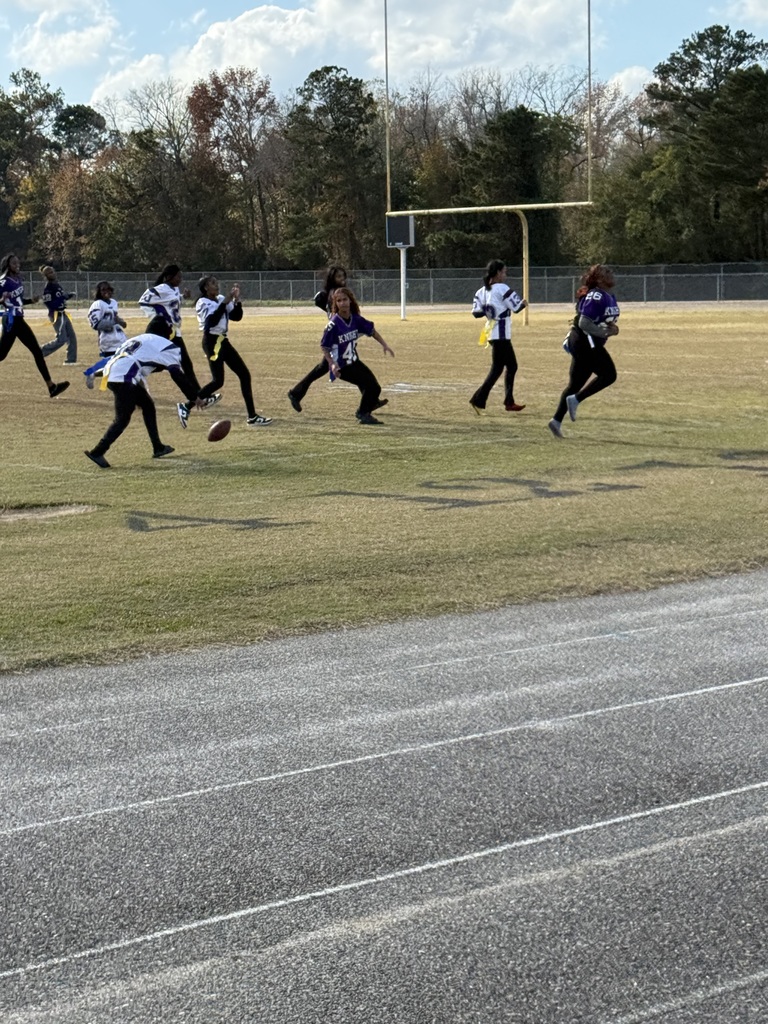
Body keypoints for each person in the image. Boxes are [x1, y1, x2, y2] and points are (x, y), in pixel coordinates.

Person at [84, 316, 203, 468]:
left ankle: (158, 446)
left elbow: (120, 360)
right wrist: (194, 397)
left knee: (147, 405)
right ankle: (98, 451)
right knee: (122, 418)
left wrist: (95, 373)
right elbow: (177, 374)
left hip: (113, 374)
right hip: (125, 378)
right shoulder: (165, 345)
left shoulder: (137, 339)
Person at [177, 275, 271, 429]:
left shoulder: (220, 298)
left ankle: (252, 416)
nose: (217, 285)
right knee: (218, 381)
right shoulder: (203, 302)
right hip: (212, 342)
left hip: (222, 341)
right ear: (206, 288)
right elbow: (210, 323)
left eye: (216, 282)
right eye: (213, 283)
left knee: (244, 374)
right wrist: (225, 302)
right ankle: (187, 406)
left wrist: (236, 300)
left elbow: (236, 316)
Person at [548, 264, 620, 438]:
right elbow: (584, 323)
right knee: (609, 374)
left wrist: (614, 329)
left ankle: (556, 421)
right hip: (584, 341)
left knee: (575, 385)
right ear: (599, 278)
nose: (611, 273)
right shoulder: (596, 294)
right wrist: (603, 332)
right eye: (606, 272)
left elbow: (605, 322)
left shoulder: (608, 296)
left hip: (588, 342)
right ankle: (576, 400)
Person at [321, 286, 393, 425]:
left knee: (375, 388)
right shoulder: (333, 324)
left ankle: (366, 409)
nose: (343, 303)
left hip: (353, 361)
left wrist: (384, 344)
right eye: (339, 301)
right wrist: (332, 363)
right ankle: (363, 413)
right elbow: (324, 346)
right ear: (335, 304)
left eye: (345, 299)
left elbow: (372, 331)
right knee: (370, 386)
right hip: (342, 365)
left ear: (350, 300)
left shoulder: (356, 319)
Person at [0, 253, 70, 398]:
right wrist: (1, 299)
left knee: (37, 352)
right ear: (8, 265)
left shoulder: (18, 279)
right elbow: (3, 301)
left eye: (18, 263)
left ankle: (51, 386)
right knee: (1, 355)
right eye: (14, 263)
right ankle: (51, 386)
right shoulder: (3, 281)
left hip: (19, 320)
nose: (17, 265)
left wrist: (30, 301)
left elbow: (18, 301)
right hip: (10, 320)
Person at [469, 259, 527, 415]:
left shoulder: (481, 291)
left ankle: (501, 401)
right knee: (504, 368)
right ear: (497, 273)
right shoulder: (502, 288)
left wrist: (488, 313)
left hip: (492, 333)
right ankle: (481, 399)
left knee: (502, 368)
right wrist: (524, 304)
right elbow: (516, 308)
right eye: (504, 271)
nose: (505, 274)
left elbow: (475, 313)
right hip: (501, 334)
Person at [287, 265, 348, 412]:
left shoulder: (331, 293)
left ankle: (296, 393)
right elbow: (337, 314)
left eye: (343, 276)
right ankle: (370, 398)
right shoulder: (336, 293)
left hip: (338, 334)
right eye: (339, 277)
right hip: (336, 336)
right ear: (333, 279)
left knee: (325, 368)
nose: (343, 279)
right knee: (350, 365)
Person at [138, 263, 206, 394]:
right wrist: (160, 315)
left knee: (185, 364)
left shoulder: (173, 289)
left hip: (175, 331)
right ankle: (136, 372)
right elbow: (143, 300)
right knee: (162, 363)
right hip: (165, 331)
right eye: (178, 277)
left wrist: (182, 297)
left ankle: (199, 393)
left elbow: (170, 302)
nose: (180, 280)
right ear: (169, 277)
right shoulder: (162, 288)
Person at [39, 265, 78, 364]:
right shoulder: (48, 287)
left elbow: (61, 298)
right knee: (62, 339)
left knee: (72, 337)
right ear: (45, 275)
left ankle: (71, 360)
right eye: (49, 273)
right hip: (56, 315)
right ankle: (40, 351)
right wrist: (62, 298)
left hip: (63, 313)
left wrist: (68, 296)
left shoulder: (57, 285)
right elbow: (49, 303)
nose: (52, 274)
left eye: (53, 271)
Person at [88, 280, 127, 358]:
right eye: (103, 290)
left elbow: (115, 317)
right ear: (99, 292)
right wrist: (114, 321)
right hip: (107, 341)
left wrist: (121, 322)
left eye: (108, 289)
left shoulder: (113, 302)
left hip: (120, 339)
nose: (107, 291)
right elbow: (96, 325)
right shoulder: (97, 304)